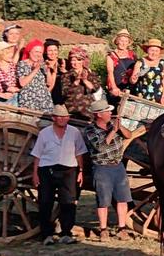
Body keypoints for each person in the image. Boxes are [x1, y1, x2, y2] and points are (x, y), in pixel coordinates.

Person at [83, 99, 139, 241]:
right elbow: (101, 147)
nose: (110, 113)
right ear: (99, 115)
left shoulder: (113, 126)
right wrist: (113, 131)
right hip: (102, 167)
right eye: (107, 111)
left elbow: (129, 135)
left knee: (122, 199)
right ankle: (103, 230)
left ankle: (121, 228)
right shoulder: (90, 130)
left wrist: (120, 128)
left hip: (117, 166)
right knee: (103, 200)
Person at [31, 105, 87, 245]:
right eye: (59, 117)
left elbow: (79, 153)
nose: (62, 119)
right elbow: (37, 154)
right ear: (53, 118)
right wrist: (35, 174)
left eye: (65, 117)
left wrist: (80, 171)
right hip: (47, 169)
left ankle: (66, 233)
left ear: (68, 118)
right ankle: (46, 235)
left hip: (69, 169)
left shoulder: (74, 132)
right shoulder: (45, 133)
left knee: (68, 201)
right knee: (45, 201)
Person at [16, 39, 54, 113]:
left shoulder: (43, 65)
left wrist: (48, 69)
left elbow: (49, 83)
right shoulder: (22, 64)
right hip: (29, 100)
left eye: (40, 52)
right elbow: (22, 83)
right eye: (36, 51)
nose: (38, 54)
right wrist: (36, 69)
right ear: (29, 51)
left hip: (44, 101)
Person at [61, 47, 99, 119]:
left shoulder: (91, 73)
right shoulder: (66, 75)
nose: (75, 63)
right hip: (72, 109)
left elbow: (95, 89)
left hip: (88, 109)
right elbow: (64, 93)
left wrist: (85, 81)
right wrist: (76, 81)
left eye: (78, 60)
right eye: (73, 60)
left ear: (83, 61)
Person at [130, 39, 164, 104]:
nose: (154, 53)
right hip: (141, 97)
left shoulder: (163, 63)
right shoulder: (140, 62)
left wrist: (163, 98)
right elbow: (132, 81)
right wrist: (133, 78)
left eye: (156, 51)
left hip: (157, 98)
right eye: (152, 50)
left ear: (159, 52)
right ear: (147, 50)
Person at [106, 29, 137, 107]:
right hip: (117, 87)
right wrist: (114, 87)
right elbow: (110, 72)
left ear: (128, 43)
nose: (123, 43)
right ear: (117, 41)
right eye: (121, 40)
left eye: (126, 41)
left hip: (130, 87)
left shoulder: (133, 55)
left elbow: (136, 70)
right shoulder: (111, 55)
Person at [43, 39, 67, 106]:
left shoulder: (64, 62)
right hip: (47, 96)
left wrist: (65, 71)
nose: (53, 53)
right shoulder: (42, 64)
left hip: (63, 97)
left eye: (55, 50)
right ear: (45, 52)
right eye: (50, 50)